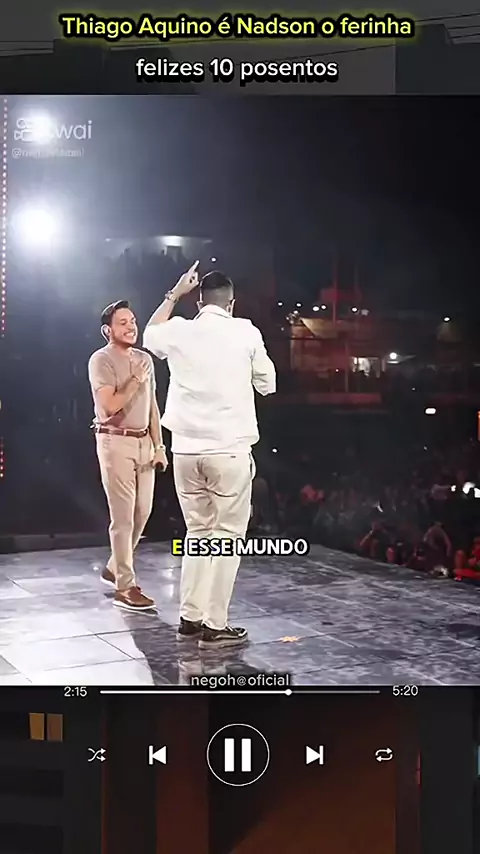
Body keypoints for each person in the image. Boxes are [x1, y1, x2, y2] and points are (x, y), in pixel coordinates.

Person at [143, 264, 276, 648]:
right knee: (228, 538)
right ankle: (215, 625)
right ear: (231, 304)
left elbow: (150, 334)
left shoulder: (180, 329)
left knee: (198, 533)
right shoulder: (246, 331)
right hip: (228, 451)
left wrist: (174, 293)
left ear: (199, 302)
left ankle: (190, 617)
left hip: (186, 452)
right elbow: (267, 384)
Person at [88, 300, 168, 611]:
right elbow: (109, 406)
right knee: (122, 518)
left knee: (142, 513)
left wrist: (159, 446)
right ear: (107, 330)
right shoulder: (101, 360)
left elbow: (152, 407)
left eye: (133, 320)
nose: (131, 326)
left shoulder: (145, 359)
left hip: (144, 443)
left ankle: (114, 565)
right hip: (115, 441)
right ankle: (126, 586)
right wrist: (135, 380)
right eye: (123, 322)